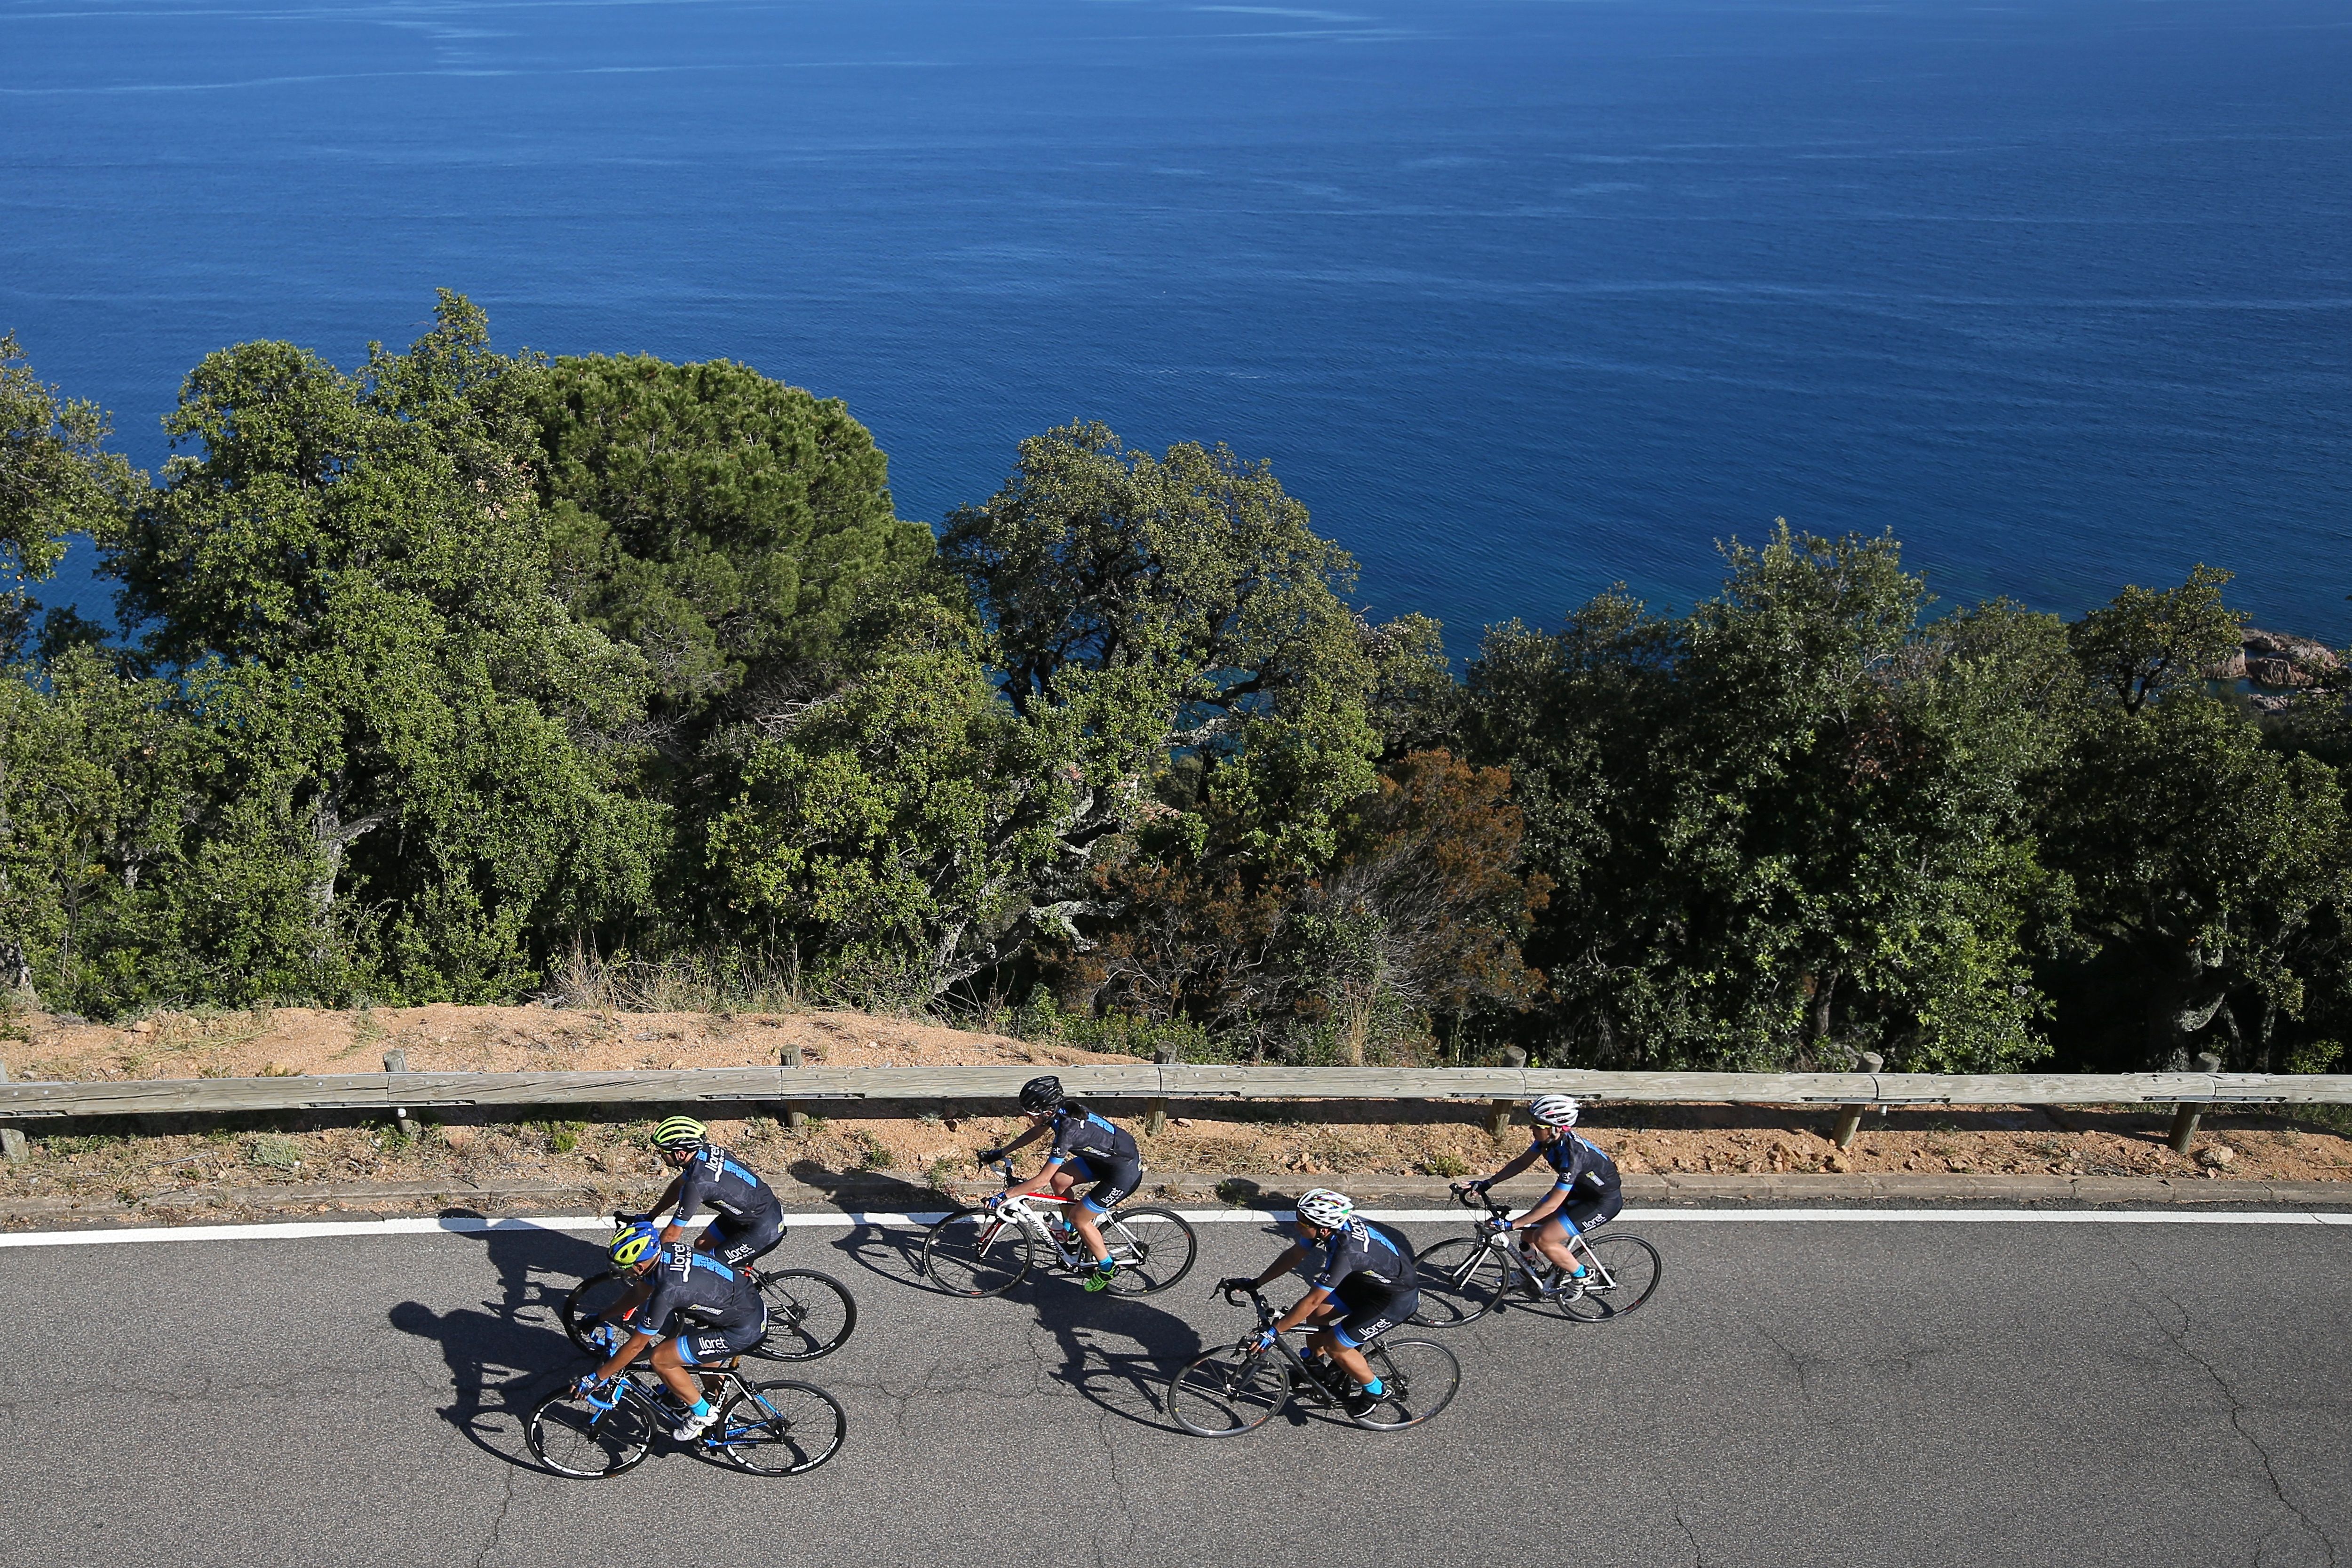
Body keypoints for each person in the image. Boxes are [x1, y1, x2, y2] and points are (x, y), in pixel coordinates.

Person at [1216, 1187, 1419, 1418]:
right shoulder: (1331, 1229)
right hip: (1367, 1283)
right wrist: (1257, 1282)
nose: (1296, 1227)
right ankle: (1314, 1367)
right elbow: (1295, 1255)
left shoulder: (1346, 1251)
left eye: (1302, 1224)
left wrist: (1274, 1332)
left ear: (1322, 1229)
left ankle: (1376, 1390)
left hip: (1394, 1298)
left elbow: (1312, 1299)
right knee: (1318, 1316)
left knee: (1336, 1345)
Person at [577, 1220, 768, 1441]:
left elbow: (637, 1345)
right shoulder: (664, 1253)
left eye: (624, 1269)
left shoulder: (668, 1291)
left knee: (661, 1359)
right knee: (706, 1369)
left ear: (639, 1266)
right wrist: (600, 1317)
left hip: (742, 1329)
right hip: (745, 1308)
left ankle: (703, 1414)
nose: (623, 1274)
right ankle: (721, 1420)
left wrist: (596, 1378)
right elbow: (637, 1295)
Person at [609, 1114, 784, 1321]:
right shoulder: (703, 1155)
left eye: (663, 1151)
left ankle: (742, 1317)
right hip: (750, 1215)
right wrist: (650, 1216)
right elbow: (676, 1187)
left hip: (762, 1229)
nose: (659, 1155)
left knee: (709, 1271)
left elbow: (672, 1235)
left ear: (680, 1153)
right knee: (701, 1245)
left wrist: (649, 1268)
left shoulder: (699, 1184)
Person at [977, 1075, 1142, 1292]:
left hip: (1122, 1173)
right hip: (1105, 1160)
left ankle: (1107, 1267)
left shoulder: (1068, 1132)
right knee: (1061, 1179)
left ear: (1046, 1111)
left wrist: (1006, 1195)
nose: (1026, 1116)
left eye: (1030, 1113)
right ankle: (1069, 1230)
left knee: (1080, 1218)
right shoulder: (1061, 1110)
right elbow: (1037, 1131)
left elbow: (1041, 1181)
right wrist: (1001, 1152)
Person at [1453, 1094, 1621, 1293]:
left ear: (1556, 1127)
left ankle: (1583, 1275)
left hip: (1602, 1201)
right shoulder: (1548, 1141)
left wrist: (1511, 1224)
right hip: (1580, 1191)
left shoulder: (1573, 1158)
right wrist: (1488, 1183)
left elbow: (1552, 1204)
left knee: (1544, 1238)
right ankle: (1528, 1274)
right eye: (1532, 1122)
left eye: (1538, 1125)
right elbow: (1522, 1163)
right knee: (1528, 1234)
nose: (1531, 1128)